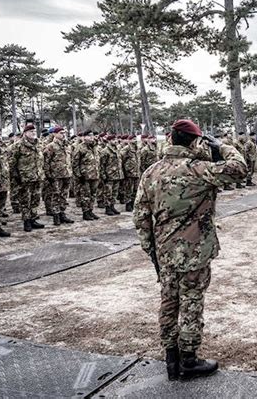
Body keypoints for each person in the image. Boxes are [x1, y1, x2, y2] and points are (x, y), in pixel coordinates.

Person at [133, 119, 247, 381]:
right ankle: (189, 360)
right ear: (196, 142)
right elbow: (239, 169)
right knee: (191, 303)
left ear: (170, 140)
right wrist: (223, 147)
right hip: (195, 252)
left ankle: (171, 358)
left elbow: (140, 217)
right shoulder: (199, 170)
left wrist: (152, 251)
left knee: (169, 302)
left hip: (164, 252)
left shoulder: (151, 172)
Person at [8, 123, 45, 232]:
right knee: (25, 201)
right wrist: (16, 177)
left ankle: (33, 219)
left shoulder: (39, 144)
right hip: (24, 179)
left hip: (37, 177)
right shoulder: (17, 146)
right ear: (25, 133)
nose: (33, 133)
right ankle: (26, 221)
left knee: (35, 200)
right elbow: (11, 164)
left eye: (34, 132)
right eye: (31, 132)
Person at [43, 126, 74, 226]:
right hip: (56, 175)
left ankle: (62, 213)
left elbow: (70, 160)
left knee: (64, 196)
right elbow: (46, 162)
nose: (63, 135)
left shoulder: (67, 145)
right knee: (56, 196)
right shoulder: (50, 146)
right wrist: (48, 175)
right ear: (55, 134)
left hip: (66, 174)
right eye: (61, 133)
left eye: (64, 133)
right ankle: (56, 216)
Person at [72, 130, 100, 221]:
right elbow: (75, 163)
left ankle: (90, 210)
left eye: (92, 135)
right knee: (85, 195)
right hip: (85, 176)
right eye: (89, 136)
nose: (91, 137)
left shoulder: (95, 147)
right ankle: (85, 212)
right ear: (84, 137)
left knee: (93, 194)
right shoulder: (80, 148)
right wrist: (79, 175)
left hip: (94, 175)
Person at [99, 134, 124, 216]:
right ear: (109, 141)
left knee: (114, 193)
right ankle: (108, 208)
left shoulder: (117, 150)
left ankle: (112, 206)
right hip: (109, 175)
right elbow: (102, 165)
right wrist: (103, 175)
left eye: (116, 139)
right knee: (108, 193)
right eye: (113, 140)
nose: (116, 141)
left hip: (117, 175)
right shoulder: (105, 151)